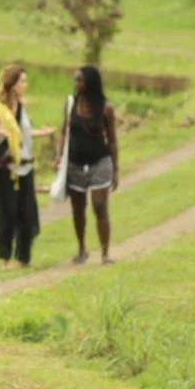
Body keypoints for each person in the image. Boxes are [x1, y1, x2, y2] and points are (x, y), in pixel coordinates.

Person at [0, 62, 43, 266]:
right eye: (22, 81)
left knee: (27, 210)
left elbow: (21, 133)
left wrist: (40, 133)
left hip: (25, 164)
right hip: (5, 166)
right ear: (12, 84)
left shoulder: (22, 105)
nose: (25, 85)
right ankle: (5, 258)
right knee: (7, 211)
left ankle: (24, 257)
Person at [50, 64, 121, 263]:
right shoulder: (71, 103)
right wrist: (59, 157)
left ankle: (105, 253)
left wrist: (115, 169)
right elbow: (65, 131)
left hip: (100, 162)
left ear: (90, 82)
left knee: (100, 206)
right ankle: (82, 249)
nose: (76, 84)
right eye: (75, 80)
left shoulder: (106, 108)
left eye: (80, 80)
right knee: (78, 208)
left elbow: (113, 141)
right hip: (74, 164)